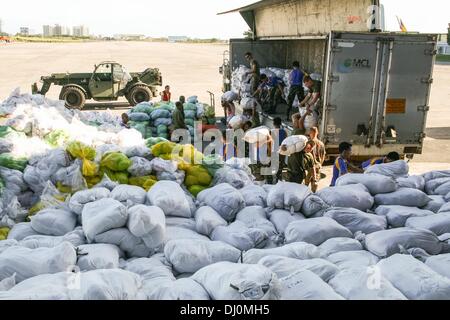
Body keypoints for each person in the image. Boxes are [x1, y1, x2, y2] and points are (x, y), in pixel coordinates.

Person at [305, 127, 326, 192]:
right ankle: (313, 195)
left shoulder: (309, 142)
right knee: (314, 183)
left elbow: (306, 154)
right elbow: (323, 155)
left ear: (310, 133)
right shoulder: (321, 143)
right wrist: (320, 164)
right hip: (317, 165)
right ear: (317, 133)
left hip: (309, 166)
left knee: (305, 185)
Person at [273, 117, 287, 182]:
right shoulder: (284, 132)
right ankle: (279, 178)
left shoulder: (272, 132)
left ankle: (275, 178)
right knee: (280, 166)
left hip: (274, 151)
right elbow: (286, 141)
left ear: (273, 123)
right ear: (280, 123)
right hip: (282, 151)